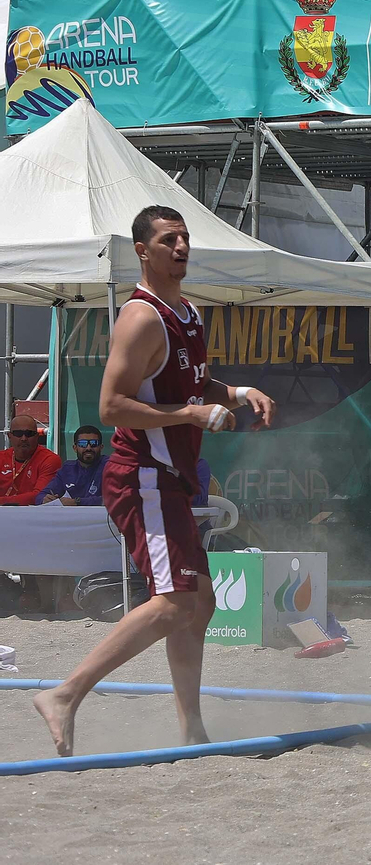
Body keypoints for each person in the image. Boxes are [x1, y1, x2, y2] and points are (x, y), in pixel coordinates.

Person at [33, 205, 276, 757]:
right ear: (143, 250)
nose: (182, 246)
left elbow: (192, 381)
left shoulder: (187, 311)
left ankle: (190, 726)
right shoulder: (141, 317)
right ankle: (65, 694)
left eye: (185, 237)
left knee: (201, 603)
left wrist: (235, 392)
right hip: (142, 475)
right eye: (170, 239)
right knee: (173, 603)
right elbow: (112, 406)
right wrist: (186, 416)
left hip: (168, 478)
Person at [34, 425, 106, 505]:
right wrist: (45, 499)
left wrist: (76, 502)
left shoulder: (111, 466)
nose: (88, 448)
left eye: (93, 443)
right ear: (75, 448)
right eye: (82, 444)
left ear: (101, 447)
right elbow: (40, 497)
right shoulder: (67, 469)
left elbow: (115, 499)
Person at [0, 414, 61, 505]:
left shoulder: (49, 459)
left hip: (33, 514)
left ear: (37, 436)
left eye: (29, 434)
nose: (24, 438)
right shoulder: (2, 457)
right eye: (18, 434)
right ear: (9, 436)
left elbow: (40, 496)